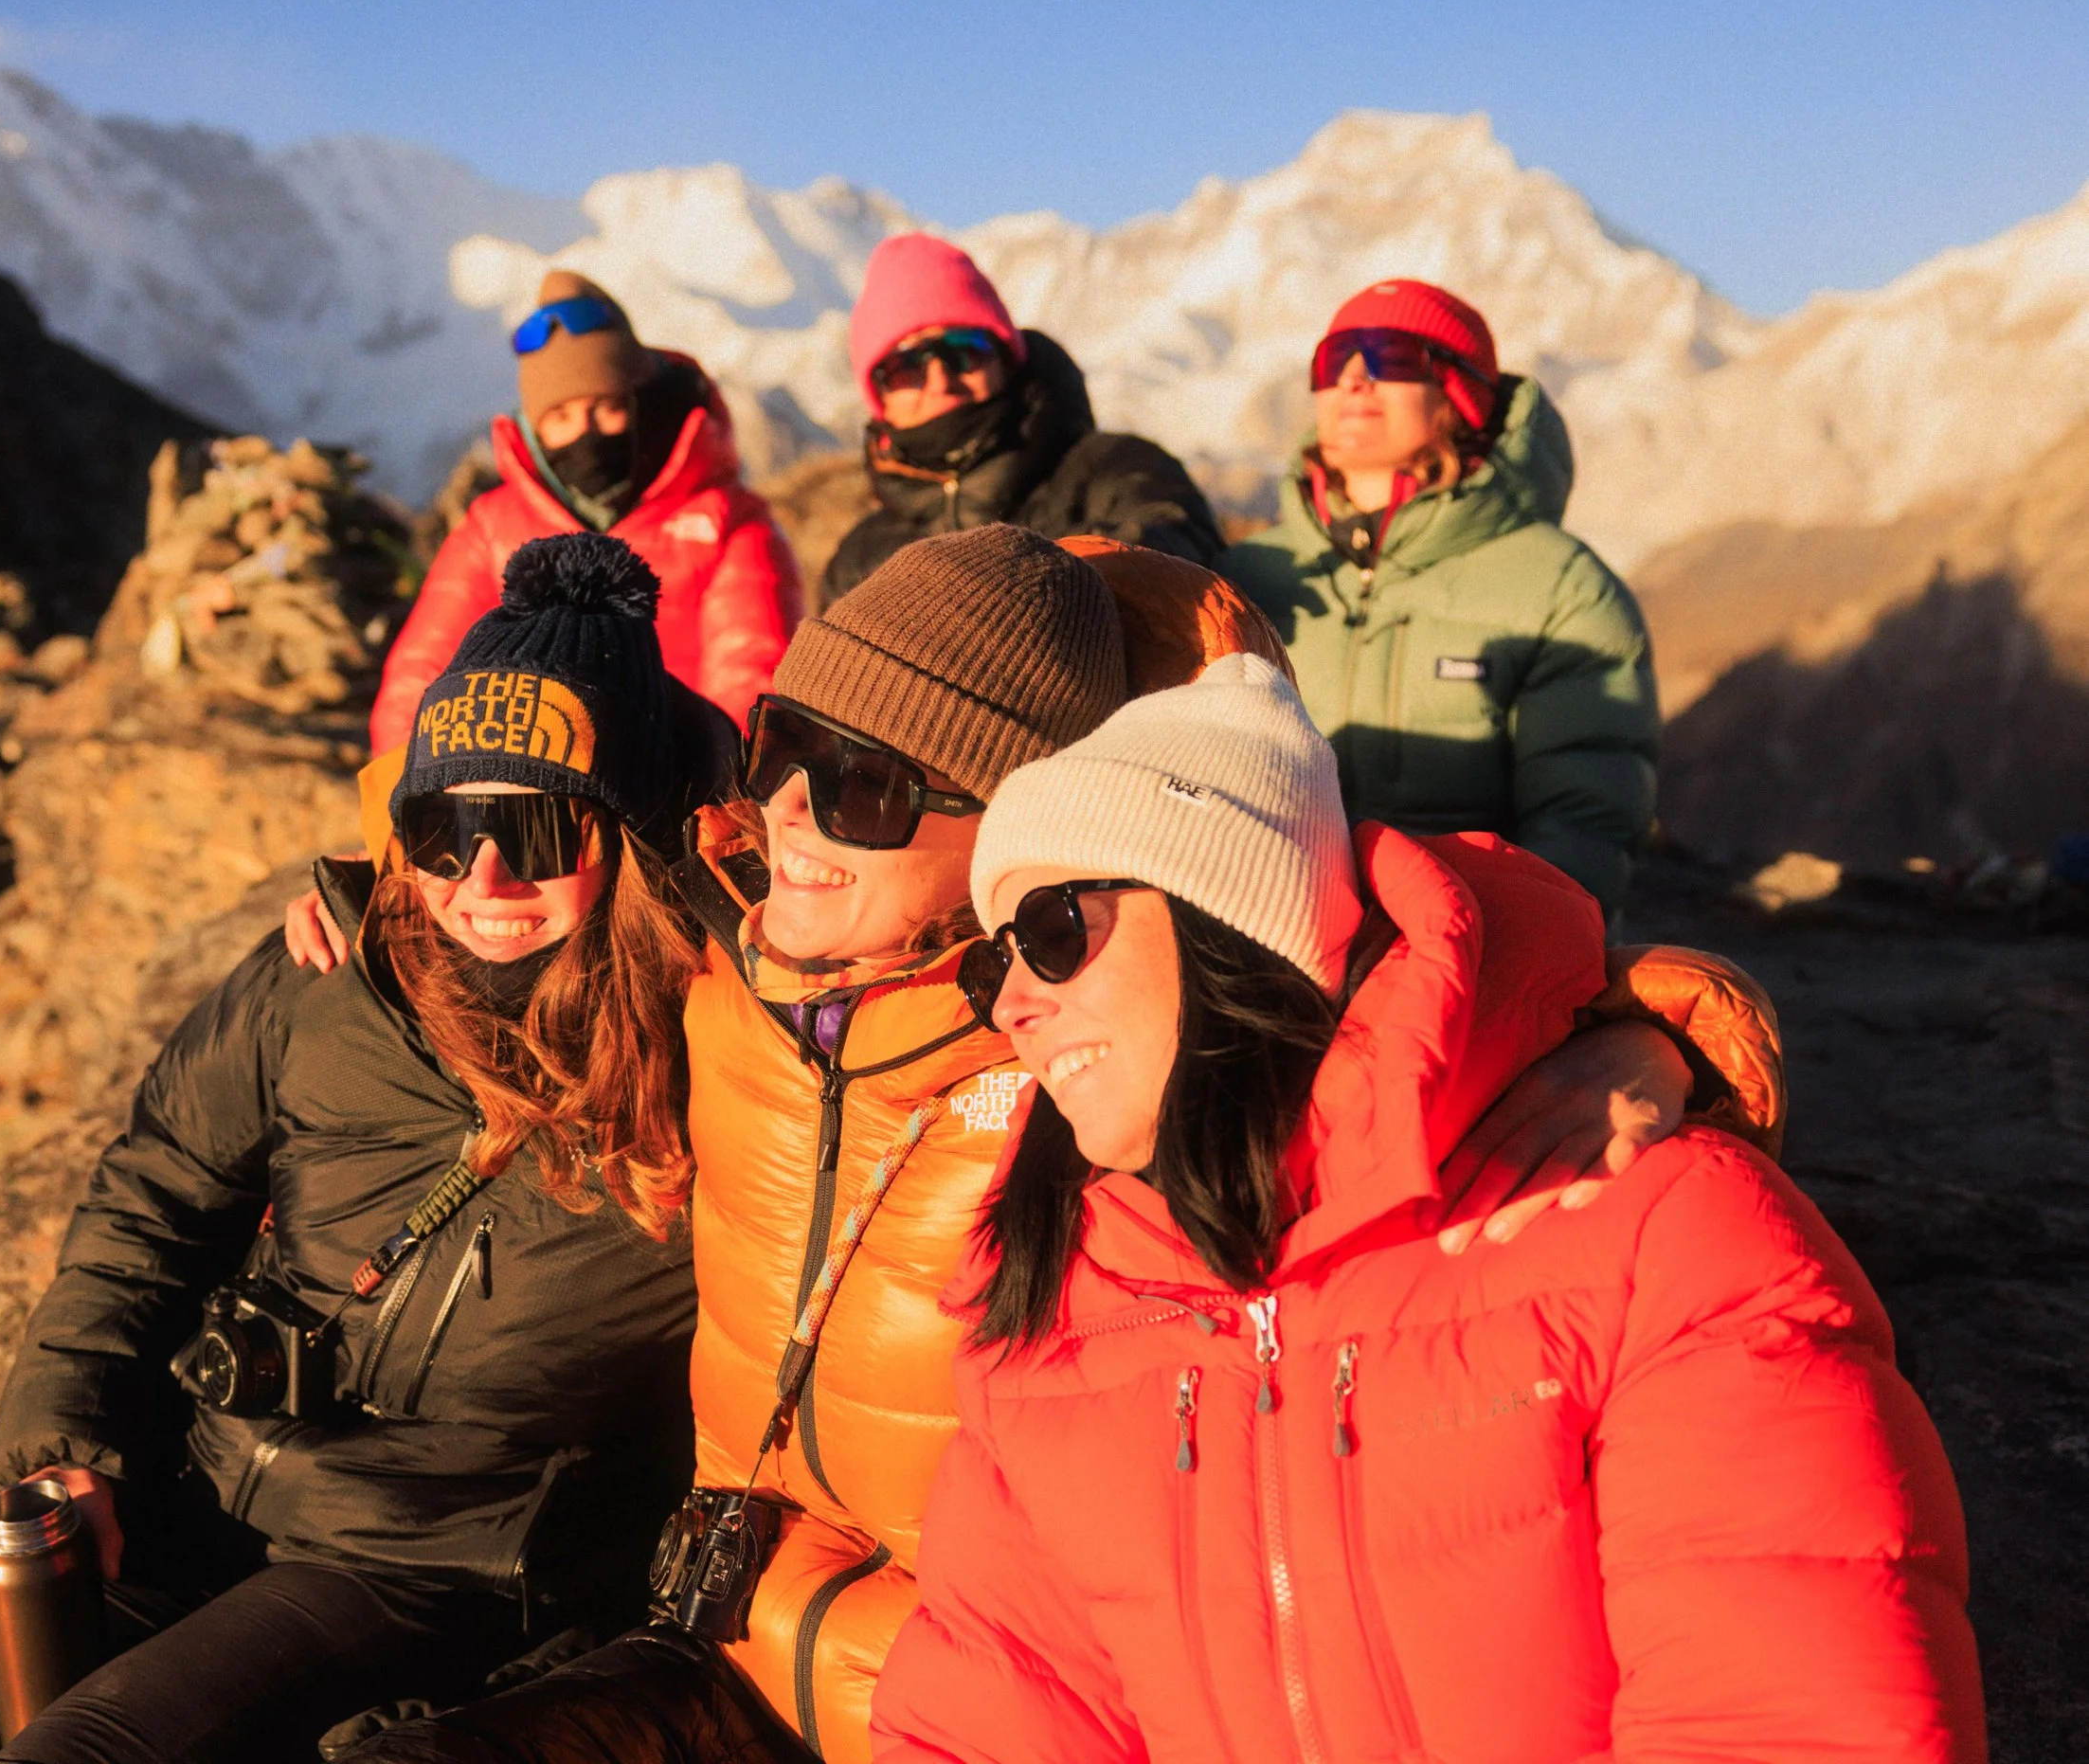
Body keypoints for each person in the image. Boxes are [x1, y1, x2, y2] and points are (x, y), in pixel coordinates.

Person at [330, 527, 1782, 1764]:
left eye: (866, 786)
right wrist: (354, 897)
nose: (793, 815)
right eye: (785, 749)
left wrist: (1665, 1031)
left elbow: (1432, 967)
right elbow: (510, 851)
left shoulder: (1095, 1026)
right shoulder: (728, 935)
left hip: (978, 1693)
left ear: (1019, 823)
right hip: (726, 1637)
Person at [870, 654, 1985, 1763]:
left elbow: (1795, 1717)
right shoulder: (1051, 1322)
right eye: (994, 964)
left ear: (1231, 919)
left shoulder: (1655, 1231)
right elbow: (987, 1722)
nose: (1013, 1004)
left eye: (1055, 929)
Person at [0, 537, 733, 1764]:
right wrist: (66, 1448)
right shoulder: (329, 981)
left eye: (542, 826)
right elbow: (155, 1196)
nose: (485, 874)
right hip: (184, 1484)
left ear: (635, 832)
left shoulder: (716, 1059)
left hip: (422, 1567)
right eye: (444, 826)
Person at [1216, 279, 1660, 922]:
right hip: (1268, 931)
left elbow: (1584, 824)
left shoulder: (1561, 587)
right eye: (1334, 361)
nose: (1354, 380)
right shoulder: (1243, 576)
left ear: (1460, 394)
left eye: (1390, 358)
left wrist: (1490, 948)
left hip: (1474, 936)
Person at [371, 271, 803, 747]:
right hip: (516, 780)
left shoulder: (727, 523)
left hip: (676, 780)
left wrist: (694, 784)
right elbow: (417, 679)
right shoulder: (491, 528)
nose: (586, 432)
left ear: (644, 406)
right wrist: (409, 784)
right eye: (561, 416)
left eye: (606, 407)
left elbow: (750, 681)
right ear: (534, 431)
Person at [819, 235, 1224, 601]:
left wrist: (1030, 591)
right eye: (906, 365)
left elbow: (1177, 547)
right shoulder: (858, 561)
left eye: (965, 349)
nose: (941, 380)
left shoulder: (1116, 468)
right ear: (878, 396)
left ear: (1006, 360)